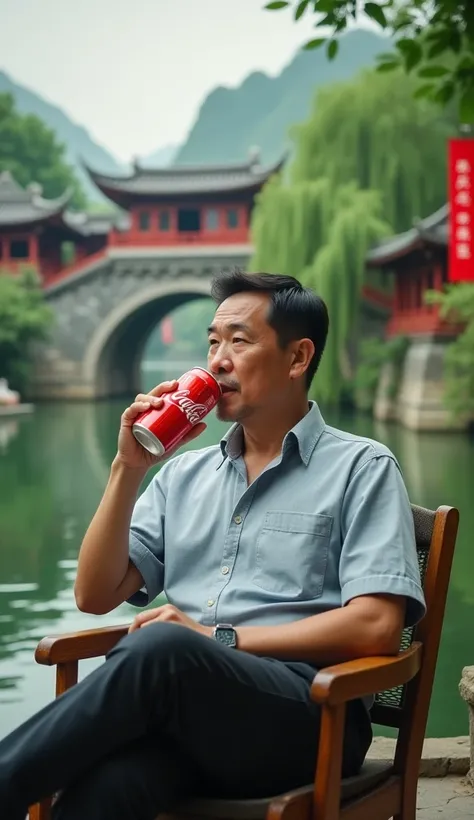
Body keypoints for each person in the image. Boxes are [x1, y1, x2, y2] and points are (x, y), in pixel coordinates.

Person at [0, 270, 426, 820]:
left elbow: (376, 626)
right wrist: (127, 468)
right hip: (193, 718)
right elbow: (94, 594)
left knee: (163, 648)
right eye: (212, 342)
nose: (217, 361)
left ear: (298, 358)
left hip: (312, 715)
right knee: (108, 787)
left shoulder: (361, 468)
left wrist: (212, 637)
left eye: (239, 341)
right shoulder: (183, 476)